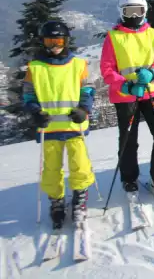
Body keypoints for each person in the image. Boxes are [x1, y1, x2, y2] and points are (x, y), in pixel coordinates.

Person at [23, 21, 96, 228]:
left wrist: (84, 109)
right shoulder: (34, 67)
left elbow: (88, 90)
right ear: (43, 42)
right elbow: (28, 96)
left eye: (59, 40)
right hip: (50, 128)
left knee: (80, 165)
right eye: (50, 41)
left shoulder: (78, 64)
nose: (55, 45)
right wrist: (35, 112)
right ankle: (56, 202)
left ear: (66, 41)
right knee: (51, 169)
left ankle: (80, 199)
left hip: (74, 126)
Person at [100, 0, 154, 198]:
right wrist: (126, 86)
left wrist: (153, 72)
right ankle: (129, 178)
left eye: (137, 11)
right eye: (128, 11)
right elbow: (107, 69)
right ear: (121, 13)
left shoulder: (153, 34)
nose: (133, 16)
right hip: (126, 95)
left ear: (144, 11)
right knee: (129, 138)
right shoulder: (113, 37)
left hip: (152, 91)